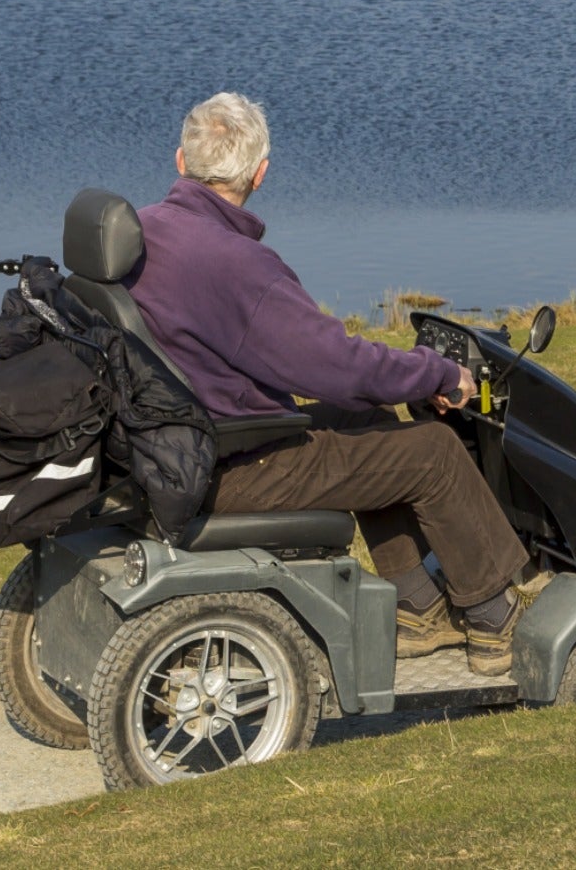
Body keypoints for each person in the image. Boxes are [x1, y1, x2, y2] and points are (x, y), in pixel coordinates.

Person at [126, 93, 548, 676]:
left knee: (358, 420)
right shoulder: (240, 265)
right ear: (260, 173)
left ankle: (418, 609)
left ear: (180, 162)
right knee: (434, 453)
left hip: (171, 446)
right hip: (228, 464)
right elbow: (337, 366)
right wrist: (437, 372)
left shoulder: (141, 231)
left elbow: (338, 386)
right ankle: (494, 619)